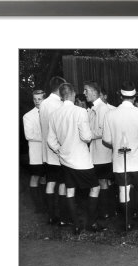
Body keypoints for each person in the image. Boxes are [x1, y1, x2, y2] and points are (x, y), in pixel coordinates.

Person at [47, 83, 101, 235]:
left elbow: (50, 140)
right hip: (81, 159)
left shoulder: (54, 114)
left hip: (65, 159)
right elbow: (86, 136)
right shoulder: (80, 111)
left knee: (70, 190)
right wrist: (90, 136)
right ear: (72, 94)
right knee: (95, 187)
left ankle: (76, 225)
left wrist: (60, 150)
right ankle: (91, 223)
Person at [102, 81, 138, 232]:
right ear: (134, 97)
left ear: (120, 96)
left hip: (120, 161)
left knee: (123, 191)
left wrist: (118, 144)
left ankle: (128, 223)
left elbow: (106, 139)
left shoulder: (110, 114)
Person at [84, 81, 116, 219]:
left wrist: (87, 134)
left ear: (94, 92)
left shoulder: (102, 109)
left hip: (103, 153)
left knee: (101, 182)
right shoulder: (93, 108)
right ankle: (104, 211)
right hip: (95, 152)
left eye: (86, 90)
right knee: (99, 182)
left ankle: (105, 211)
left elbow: (104, 131)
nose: (84, 93)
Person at [39, 76, 67, 225]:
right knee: (62, 183)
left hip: (47, 152)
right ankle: (62, 217)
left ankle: (51, 216)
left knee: (50, 182)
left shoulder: (43, 104)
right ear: (61, 88)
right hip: (57, 150)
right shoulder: (58, 105)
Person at [23, 89, 46, 213]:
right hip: (36, 153)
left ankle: (45, 204)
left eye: (40, 99)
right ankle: (38, 206)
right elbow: (29, 135)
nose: (37, 101)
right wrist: (46, 137)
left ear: (44, 99)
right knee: (35, 177)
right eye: (35, 99)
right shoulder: (28, 116)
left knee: (45, 178)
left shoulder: (49, 113)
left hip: (48, 153)